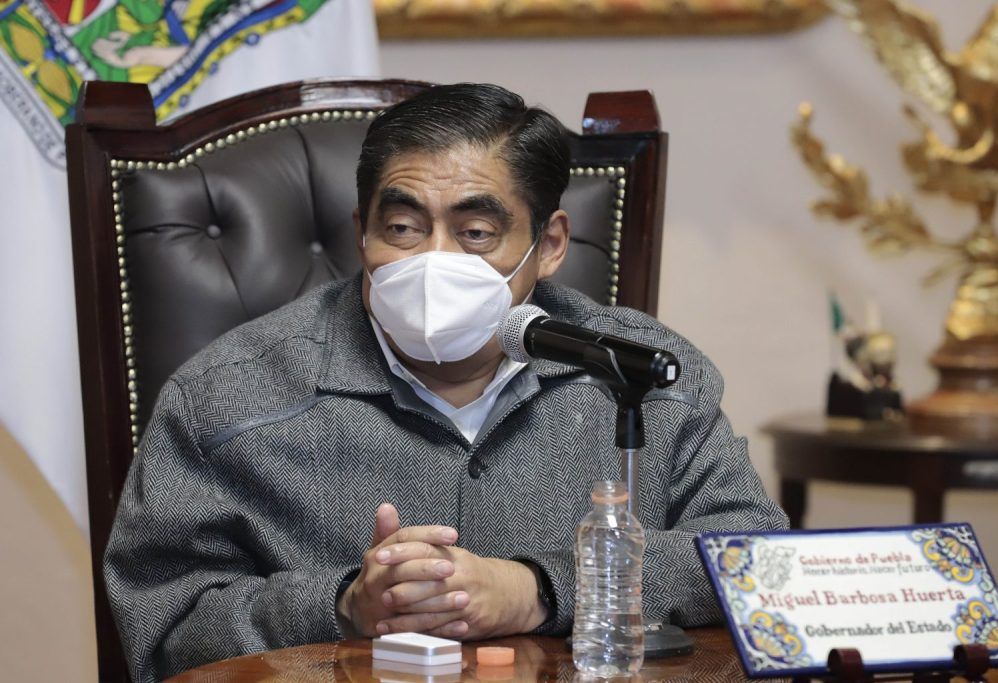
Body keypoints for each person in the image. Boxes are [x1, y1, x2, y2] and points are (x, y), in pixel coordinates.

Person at [104, 83, 788, 682]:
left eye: (476, 231)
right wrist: (344, 604)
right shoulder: (222, 398)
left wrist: (538, 589)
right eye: (402, 227)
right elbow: (160, 630)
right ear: (361, 233)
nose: (433, 261)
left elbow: (757, 563)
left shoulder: (643, 375)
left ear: (550, 245)